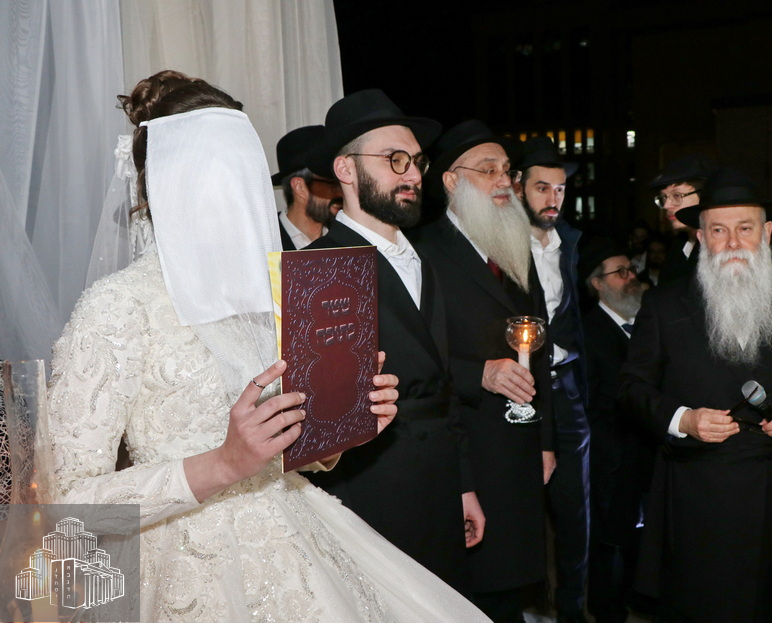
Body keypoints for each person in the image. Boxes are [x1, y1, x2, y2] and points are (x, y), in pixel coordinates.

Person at [42, 70, 491, 622]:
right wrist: (223, 463)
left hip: (296, 534)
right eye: (220, 175)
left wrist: (342, 430)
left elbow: (286, 451)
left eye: (248, 175)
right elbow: (64, 508)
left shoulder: (265, 301)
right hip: (187, 565)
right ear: (170, 183)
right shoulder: (119, 306)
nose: (241, 196)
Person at [621, 166, 772, 623]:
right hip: (696, 496)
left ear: (767, 233)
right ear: (701, 237)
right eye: (718, 230)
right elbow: (629, 387)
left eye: (745, 228)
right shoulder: (665, 305)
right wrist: (683, 419)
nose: (732, 242)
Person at [305, 88, 483, 595]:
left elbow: (444, 387)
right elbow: (316, 416)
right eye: (394, 159)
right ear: (345, 169)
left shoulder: (423, 260)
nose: (413, 175)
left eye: (417, 161)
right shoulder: (319, 267)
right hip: (369, 493)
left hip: (438, 487)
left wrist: (463, 485)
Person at [415, 119, 554, 623]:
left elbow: (542, 348)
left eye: (508, 171)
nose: (504, 181)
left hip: (519, 444)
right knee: (472, 590)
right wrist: (480, 375)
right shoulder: (422, 251)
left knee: (512, 586)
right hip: (463, 445)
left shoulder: (514, 243)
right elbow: (412, 358)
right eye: (488, 170)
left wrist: (546, 440)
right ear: (451, 180)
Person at [515, 136, 589, 623]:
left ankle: (571, 609)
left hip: (569, 390)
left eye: (560, 189)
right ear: (519, 188)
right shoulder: (499, 244)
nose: (553, 198)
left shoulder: (572, 243)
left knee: (575, 510)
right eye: (542, 187)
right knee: (524, 503)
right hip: (521, 390)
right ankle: (528, 605)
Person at [580, 244, 655, 623]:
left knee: (643, 536)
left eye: (631, 270)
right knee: (609, 539)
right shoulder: (588, 332)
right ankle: (607, 607)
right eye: (620, 272)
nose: (631, 278)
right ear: (597, 283)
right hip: (611, 457)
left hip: (649, 453)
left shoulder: (646, 324)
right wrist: (608, 457)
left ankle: (638, 595)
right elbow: (587, 406)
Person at [270, 125, 342, 249]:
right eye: (332, 185)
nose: (341, 193)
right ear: (300, 187)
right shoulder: (264, 240)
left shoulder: (347, 237)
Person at [648, 154, 715, 285]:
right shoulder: (677, 247)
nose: (666, 205)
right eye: (663, 197)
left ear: (705, 196)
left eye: (677, 195)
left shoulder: (719, 249)